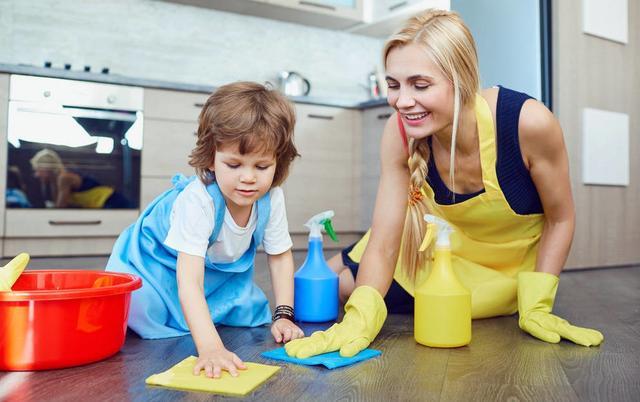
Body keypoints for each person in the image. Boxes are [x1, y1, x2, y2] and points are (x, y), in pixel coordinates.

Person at [286, 9, 603, 360]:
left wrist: (539, 304)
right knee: (316, 285)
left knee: (344, 286)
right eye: (393, 85)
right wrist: (359, 321)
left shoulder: (528, 123)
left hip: (496, 270)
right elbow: (386, 240)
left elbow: (561, 218)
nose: (403, 102)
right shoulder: (400, 131)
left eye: (420, 85)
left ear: (462, 78)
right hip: (432, 247)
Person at [106, 81, 304, 378]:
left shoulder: (271, 198)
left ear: (279, 161)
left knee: (249, 312)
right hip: (152, 265)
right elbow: (188, 282)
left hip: (212, 272)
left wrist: (285, 315)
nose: (248, 178)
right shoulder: (197, 201)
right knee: (140, 314)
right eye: (234, 164)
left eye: (261, 167)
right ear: (211, 157)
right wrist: (211, 347)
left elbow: (279, 256)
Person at [29, 148, 130, 208]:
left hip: (111, 201)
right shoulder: (57, 180)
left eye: (38, 169)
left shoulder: (64, 178)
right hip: (103, 204)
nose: (36, 174)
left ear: (48, 167)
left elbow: (60, 208)